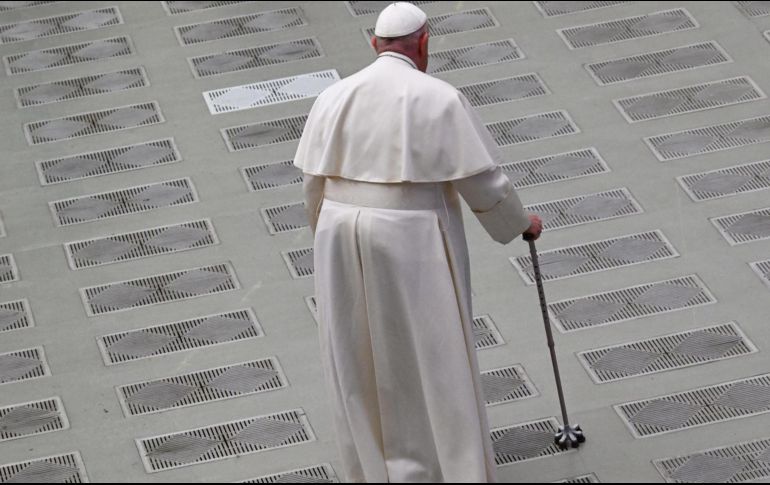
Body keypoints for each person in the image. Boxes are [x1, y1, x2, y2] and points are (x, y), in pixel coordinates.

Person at [293, 3, 543, 482]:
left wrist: (326, 242)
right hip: (411, 234)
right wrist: (519, 224)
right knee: (433, 352)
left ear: (374, 44)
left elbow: (313, 184)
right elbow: (483, 182)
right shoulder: (440, 97)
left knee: (357, 355)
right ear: (424, 43)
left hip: (339, 230)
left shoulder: (333, 96)